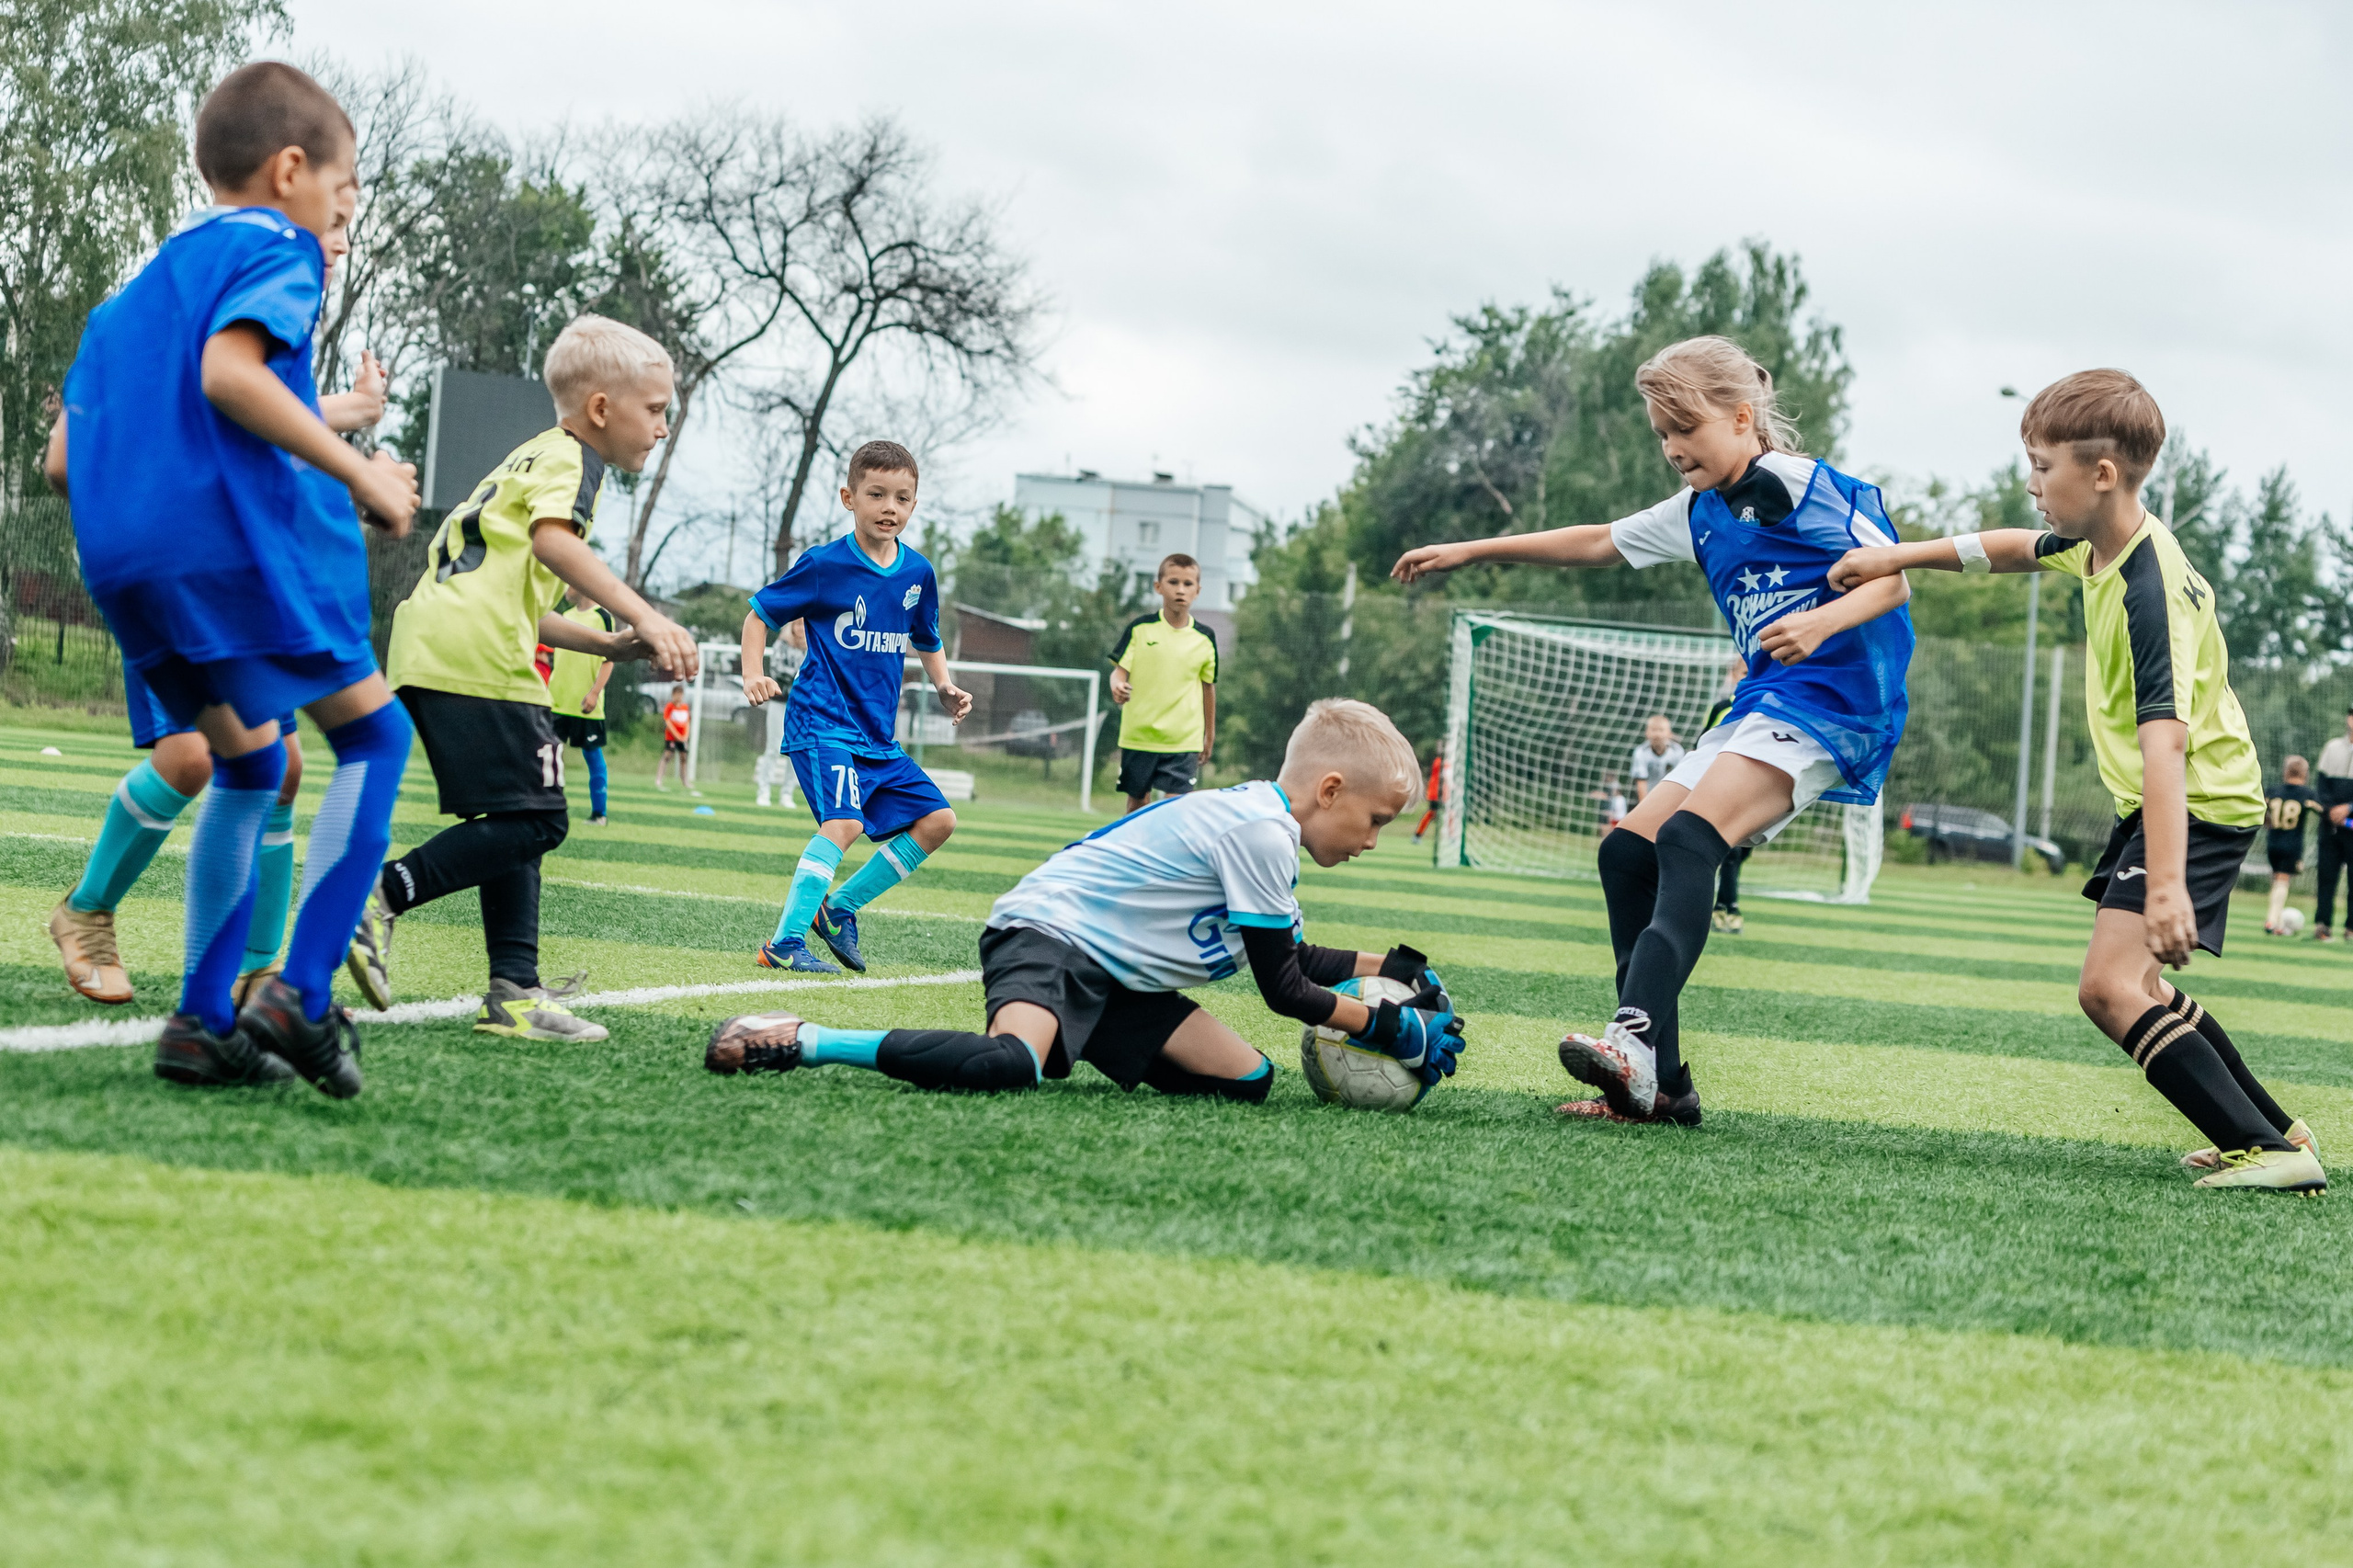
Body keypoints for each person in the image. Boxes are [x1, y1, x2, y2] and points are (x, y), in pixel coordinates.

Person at [1394, 335, 1915, 1127]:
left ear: (1743, 418)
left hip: (1836, 702)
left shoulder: (1796, 485)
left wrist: (1824, 620)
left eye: (1687, 427)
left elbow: (1897, 576)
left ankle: (1630, 1040)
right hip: (1768, 704)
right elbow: (1601, 541)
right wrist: (1472, 548)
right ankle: (1665, 1088)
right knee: (1627, 850)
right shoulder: (1703, 510)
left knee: (1689, 839)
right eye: (1661, 434)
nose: (1673, 448)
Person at [1832, 368, 2321, 1192]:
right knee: (2142, 985)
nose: (2031, 484)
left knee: (2107, 989)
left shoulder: (2145, 587)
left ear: (2101, 474)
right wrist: (1896, 554)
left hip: (2194, 796)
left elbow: (2165, 741)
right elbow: (2015, 548)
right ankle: (2274, 1129)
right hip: (2192, 797)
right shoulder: (2106, 545)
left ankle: (2271, 1153)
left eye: (2042, 466)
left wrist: (2166, 885)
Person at [46, 62, 421, 1096]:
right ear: (291, 170)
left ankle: (202, 1023)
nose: (342, 215)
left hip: (129, 571)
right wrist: (362, 474)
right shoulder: (279, 245)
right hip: (231, 552)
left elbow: (62, 461)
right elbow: (230, 373)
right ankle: (297, 988)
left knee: (252, 766)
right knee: (375, 736)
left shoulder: (128, 298)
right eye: (343, 192)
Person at [701, 699, 1465, 1101]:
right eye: (1375, 821)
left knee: (1249, 1082)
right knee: (1009, 1067)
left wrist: (1395, 967)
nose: (1372, 840)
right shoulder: (1261, 833)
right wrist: (1392, 1025)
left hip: (1115, 977)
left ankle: (1086, 1029)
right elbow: (1284, 988)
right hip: (1045, 936)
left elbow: (1290, 953)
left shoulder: (1268, 823)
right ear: (1329, 791)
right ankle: (803, 1038)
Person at [359, 313, 698, 1041]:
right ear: (602, 410)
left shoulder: (531, 457)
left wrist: (608, 648)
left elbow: (527, 600)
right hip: (476, 652)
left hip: (434, 641)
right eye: (657, 409)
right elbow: (551, 543)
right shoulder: (575, 461)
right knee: (541, 819)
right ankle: (381, 894)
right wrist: (648, 615)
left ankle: (514, 992)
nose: (664, 427)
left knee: (520, 814)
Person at [48, 330, 388, 1006]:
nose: (340, 238)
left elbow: (253, 422)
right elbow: (73, 461)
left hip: (240, 585)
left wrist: (355, 409)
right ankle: (85, 913)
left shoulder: (269, 313)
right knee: (192, 759)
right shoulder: (182, 306)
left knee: (284, 768)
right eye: (338, 219)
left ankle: (256, 973)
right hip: (172, 574)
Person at [738, 439, 974, 974]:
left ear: (914, 504)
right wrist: (753, 672)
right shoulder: (824, 565)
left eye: (903, 497)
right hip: (822, 723)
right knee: (843, 824)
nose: (890, 507)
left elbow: (927, 636)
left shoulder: (918, 573)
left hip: (877, 738)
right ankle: (784, 944)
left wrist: (944, 685)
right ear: (849, 497)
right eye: (876, 494)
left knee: (938, 820)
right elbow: (759, 614)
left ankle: (838, 908)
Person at [1108, 554, 1220, 812]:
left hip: (1183, 740)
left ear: (1198, 591)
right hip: (1140, 736)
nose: (1180, 589)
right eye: (1173, 582)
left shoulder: (1205, 638)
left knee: (1174, 809)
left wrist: (1209, 735)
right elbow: (1119, 672)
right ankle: (1134, 850)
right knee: (1137, 805)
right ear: (1159, 587)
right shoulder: (1139, 629)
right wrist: (1117, 686)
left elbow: (1208, 688)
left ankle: (1162, 852)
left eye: (1188, 584)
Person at [547, 584, 617, 825]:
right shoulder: (564, 618)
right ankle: (549, 809)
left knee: (593, 757)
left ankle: (599, 814)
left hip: (586, 703)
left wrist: (594, 693)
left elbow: (609, 660)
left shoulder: (602, 617)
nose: (566, 587)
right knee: (549, 757)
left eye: (569, 582)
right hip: (557, 701)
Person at [1702, 662, 1753, 933]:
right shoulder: (1723, 708)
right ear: (1734, 675)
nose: (1750, 676)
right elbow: (1703, 743)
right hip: (1722, 787)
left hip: (1755, 792)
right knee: (1729, 852)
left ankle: (1722, 905)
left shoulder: (1772, 706)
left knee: (1740, 853)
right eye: (1744, 672)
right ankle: (1726, 909)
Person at [2311, 708, 2353, 940]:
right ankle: (2322, 925)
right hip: (2330, 827)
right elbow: (2321, 787)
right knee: (2326, 877)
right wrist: (2331, 811)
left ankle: (2351, 928)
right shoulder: (2332, 748)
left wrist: (2349, 808)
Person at [2264, 756, 2315, 935]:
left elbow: (2261, 811)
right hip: (2292, 844)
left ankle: (2276, 921)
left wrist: (2267, 821)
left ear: (2285, 772)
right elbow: (2323, 810)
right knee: (2283, 881)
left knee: (2276, 879)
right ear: (2305, 774)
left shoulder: (2273, 791)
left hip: (2272, 842)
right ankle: (2272, 921)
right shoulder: (2306, 794)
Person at [1629, 715, 1684, 802]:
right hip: (1648, 798)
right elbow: (1641, 784)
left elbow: (1680, 781)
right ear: (1646, 733)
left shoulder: (1677, 751)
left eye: (1661, 730)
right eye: (1653, 730)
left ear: (1669, 733)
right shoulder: (1641, 752)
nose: (1657, 734)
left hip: (1670, 797)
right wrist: (1645, 807)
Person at [656, 684, 690, 790]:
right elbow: (668, 722)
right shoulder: (669, 707)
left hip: (682, 738)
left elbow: (687, 722)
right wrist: (677, 736)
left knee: (683, 757)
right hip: (671, 737)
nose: (679, 697)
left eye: (681, 694)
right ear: (673, 695)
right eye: (677, 694)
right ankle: (659, 779)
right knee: (667, 756)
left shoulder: (685, 707)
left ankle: (685, 781)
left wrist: (685, 736)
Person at [1412, 752, 1444, 842]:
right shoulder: (1439, 762)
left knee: (1447, 814)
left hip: (1439, 794)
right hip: (1435, 794)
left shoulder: (1442, 762)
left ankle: (1417, 835)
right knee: (1432, 813)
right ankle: (1417, 835)